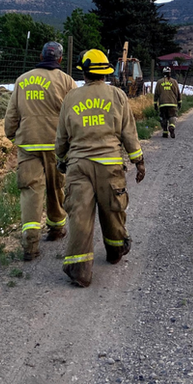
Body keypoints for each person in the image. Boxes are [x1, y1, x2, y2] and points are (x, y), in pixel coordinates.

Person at [55, 49, 145, 287]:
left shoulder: (70, 98)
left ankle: (80, 271)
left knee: (79, 216)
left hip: (78, 166)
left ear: (84, 71)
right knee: (113, 210)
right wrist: (138, 161)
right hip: (109, 166)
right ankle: (115, 252)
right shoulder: (117, 95)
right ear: (106, 71)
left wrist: (61, 158)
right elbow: (129, 133)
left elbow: (61, 138)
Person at [4, 41, 77, 261]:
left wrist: (12, 134)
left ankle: (31, 244)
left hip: (28, 144)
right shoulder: (67, 81)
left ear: (41, 55)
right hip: (57, 146)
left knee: (30, 191)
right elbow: (74, 113)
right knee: (56, 187)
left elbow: (12, 114)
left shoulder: (22, 80)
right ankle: (56, 229)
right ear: (60, 59)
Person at [154, 66, 182, 138]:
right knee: (172, 116)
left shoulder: (159, 82)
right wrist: (179, 102)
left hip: (162, 104)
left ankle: (165, 132)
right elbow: (178, 93)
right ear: (170, 73)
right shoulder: (174, 82)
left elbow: (156, 94)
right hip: (172, 103)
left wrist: (155, 104)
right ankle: (171, 127)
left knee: (164, 118)